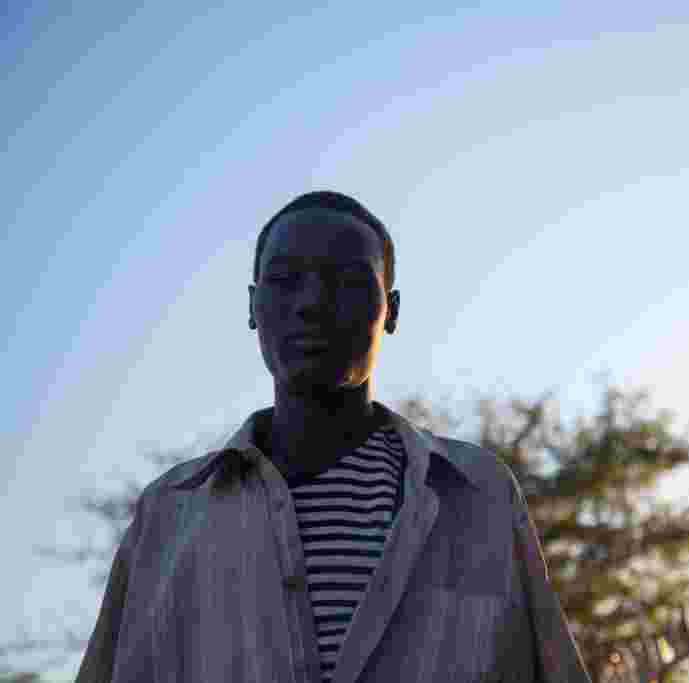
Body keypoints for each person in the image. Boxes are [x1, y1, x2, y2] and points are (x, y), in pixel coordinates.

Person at [75, 191, 593, 683]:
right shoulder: (169, 513)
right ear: (253, 307)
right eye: (285, 280)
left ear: (391, 310)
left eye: (347, 281)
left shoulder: (478, 492)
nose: (313, 303)